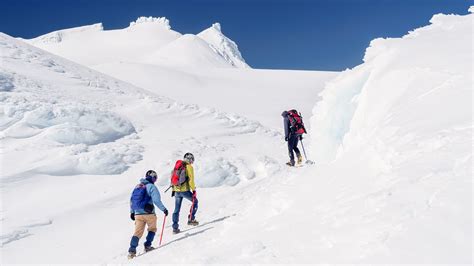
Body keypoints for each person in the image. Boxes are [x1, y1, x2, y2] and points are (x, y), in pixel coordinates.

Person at [128, 170, 168, 259]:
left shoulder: (138, 186)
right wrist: (164, 209)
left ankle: (131, 251)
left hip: (138, 214)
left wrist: (132, 212)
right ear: (153, 178)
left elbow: (132, 200)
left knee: (137, 233)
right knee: (152, 229)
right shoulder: (151, 187)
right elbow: (156, 200)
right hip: (149, 213)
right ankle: (147, 246)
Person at [172, 152, 199, 234]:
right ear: (190, 159)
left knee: (176, 209)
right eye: (192, 160)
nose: (192, 162)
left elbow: (174, 178)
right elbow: (191, 180)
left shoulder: (178, 165)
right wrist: (194, 190)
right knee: (195, 201)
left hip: (176, 190)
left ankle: (175, 228)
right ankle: (191, 219)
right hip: (184, 190)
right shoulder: (189, 167)